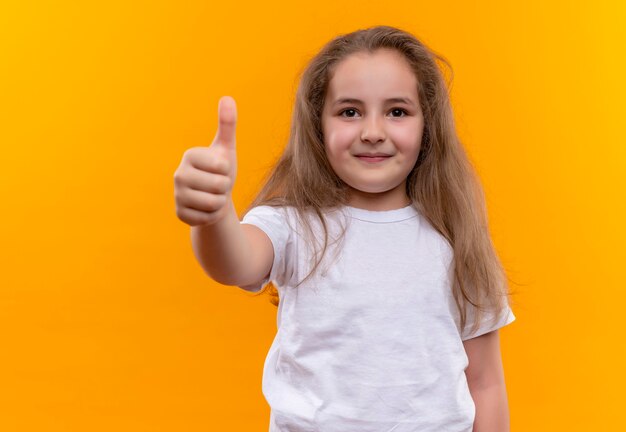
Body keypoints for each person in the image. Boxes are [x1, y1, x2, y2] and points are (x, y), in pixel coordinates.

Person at [174, 25, 517, 432]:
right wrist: (212, 217)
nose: (372, 132)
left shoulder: (457, 239)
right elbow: (235, 263)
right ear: (319, 126)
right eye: (350, 111)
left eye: (397, 111)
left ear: (428, 127)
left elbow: (485, 383)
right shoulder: (294, 225)